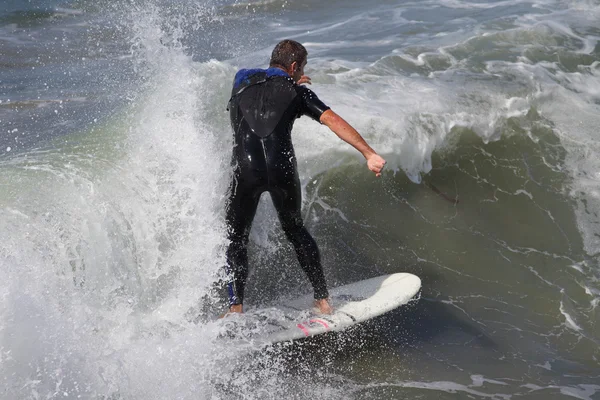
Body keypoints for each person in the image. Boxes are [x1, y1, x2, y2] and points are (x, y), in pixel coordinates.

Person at [224, 39, 386, 315]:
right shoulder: (299, 94)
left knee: (236, 239)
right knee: (296, 231)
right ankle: (322, 301)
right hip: (281, 170)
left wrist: (290, 79)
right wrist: (369, 153)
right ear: (296, 66)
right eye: (301, 69)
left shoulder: (242, 79)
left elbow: (264, 84)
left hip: (246, 170)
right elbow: (334, 121)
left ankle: (235, 307)